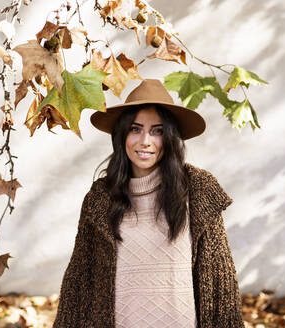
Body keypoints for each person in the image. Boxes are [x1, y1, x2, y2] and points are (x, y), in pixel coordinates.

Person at [52, 79, 244, 328]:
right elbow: (79, 283)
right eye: (135, 129)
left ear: (171, 138)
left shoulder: (198, 190)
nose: (145, 141)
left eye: (157, 131)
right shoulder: (100, 198)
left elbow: (221, 284)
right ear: (122, 134)